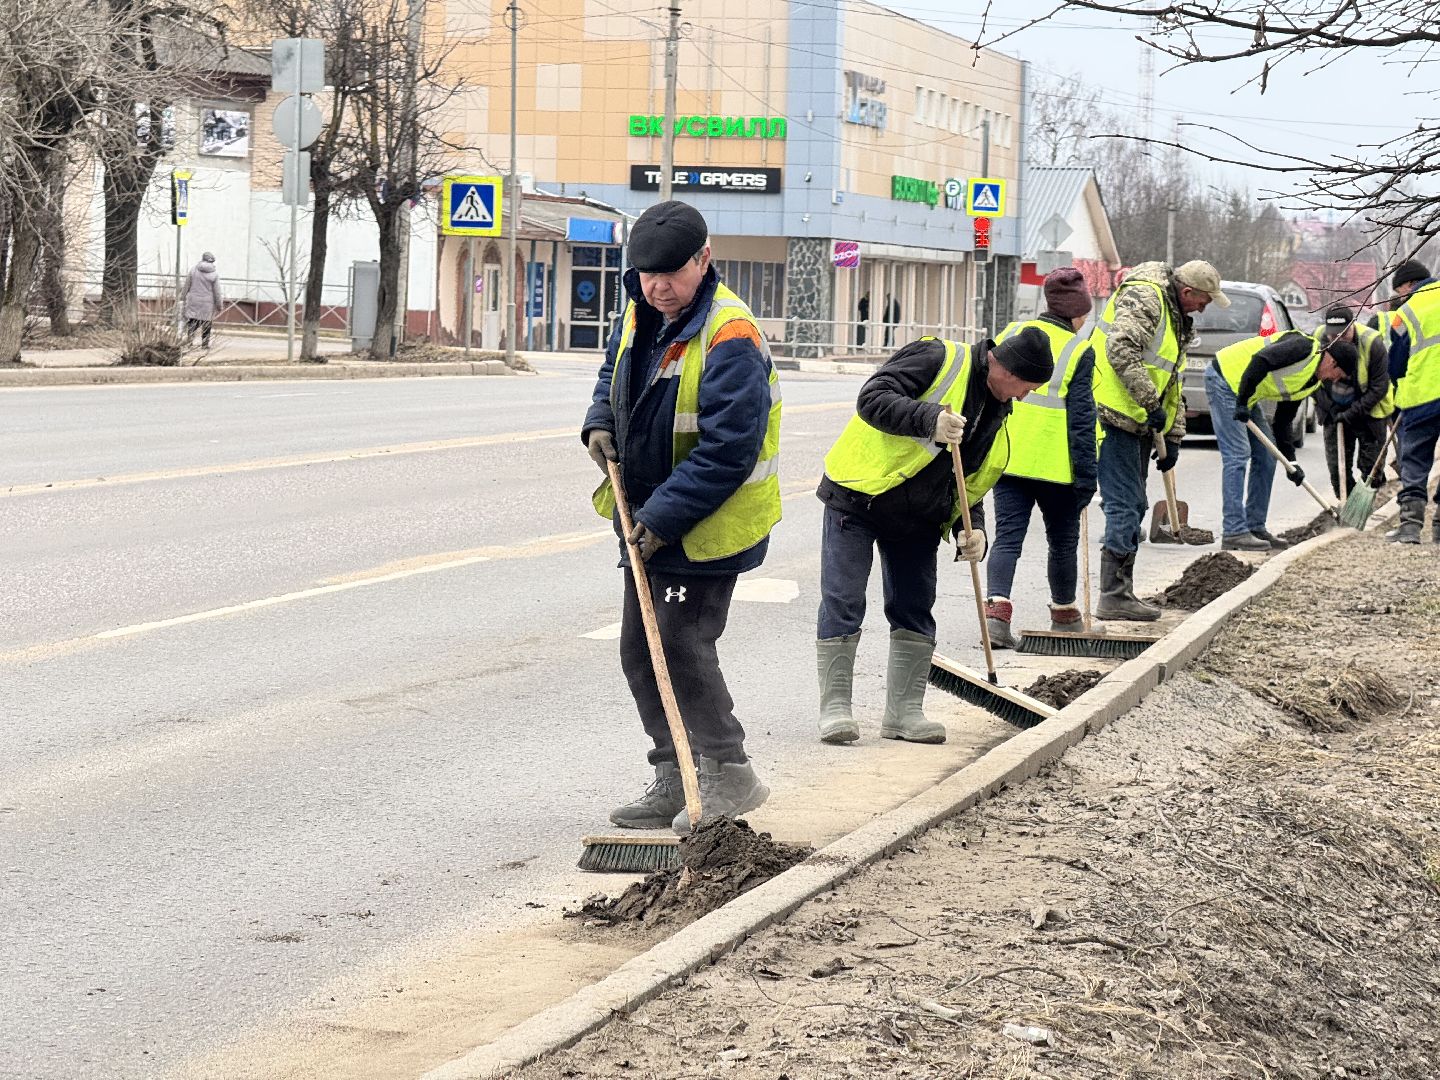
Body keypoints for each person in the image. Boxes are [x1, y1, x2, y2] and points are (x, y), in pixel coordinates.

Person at [580, 200, 782, 835]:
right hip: (647, 520)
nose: (657, 286)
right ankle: (676, 775)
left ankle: (729, 772)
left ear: (704, 259)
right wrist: (598, 424)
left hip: (706, 528)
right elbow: (611, 382)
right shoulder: (639, 313)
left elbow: (729, 449)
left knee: (680, 645)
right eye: (645, 274)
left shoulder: (731, 336)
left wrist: (663, 516)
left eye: (670, 273)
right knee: (640, 652)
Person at [813, 325, 1054, 745]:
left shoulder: (998, 414)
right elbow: (871, 398)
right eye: (1025, 386)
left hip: (918, 518)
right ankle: (836, 709)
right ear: (1002, 364)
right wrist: (930, 419)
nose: (1023, 397)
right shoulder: (939, 358)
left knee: (914, 607)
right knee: (844, 598)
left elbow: (966, 480)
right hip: (858, 496)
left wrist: (971, 526)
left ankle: (904, 714)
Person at [1089, 260, 1222, 620]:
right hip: (1110, 413)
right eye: (1204, 300)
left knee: (1136, 504)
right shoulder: (1146, 298)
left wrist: (1174, 435)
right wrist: (1150, 402)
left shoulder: (1177, 315)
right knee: (1125, 505)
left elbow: (1172, 379)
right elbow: (1120, 350)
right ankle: (1113, 595)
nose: (1205, 307)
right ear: (1187, 292)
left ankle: (1121, 592)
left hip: (1138, 420)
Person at [983, 268, 1098, 647]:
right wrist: (1086, 476)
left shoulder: (1010, 333)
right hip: (1057, 467)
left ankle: (996, 617)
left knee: (1008, 538)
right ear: (1077, 312)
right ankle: (1064, 616)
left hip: (1009, 458)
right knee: (1063, 542)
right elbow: (1082, 420)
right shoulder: (1079, 348)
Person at [1208, 321, 1358, 550]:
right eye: (1338, 375)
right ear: (1332, 361)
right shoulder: (1304, 347)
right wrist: (1241, 401)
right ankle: (1234, 531)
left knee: (1268, 456)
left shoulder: (1310, 382)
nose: (1334, 380)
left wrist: (1291, 463)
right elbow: (1261, 359)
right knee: (1238, 455)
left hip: (1245, 393)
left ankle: (1255, 526)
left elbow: (1283, 422)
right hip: (1225, 379)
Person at [1311, 304, 1392, 498]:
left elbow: (1379, 387)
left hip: (1368, 409)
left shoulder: (1372, 343)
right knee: (1337, 468)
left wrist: (1351, 413)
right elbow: (1311, 381)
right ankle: (1346, 504)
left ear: (1353, 325)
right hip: (1333, 408)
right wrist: (1331, 410)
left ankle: (1367, 502)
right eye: (1333, 334)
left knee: (1371, 468)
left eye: (1343, 334)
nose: (1336, 339)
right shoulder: (1318, 339)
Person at [1385, 259, 1440, 543]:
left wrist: (1398, 389)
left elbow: (1396, 361)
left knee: (1415, 460)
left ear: (1408, 285)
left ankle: (1410, 526)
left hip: (1423, 397)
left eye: (1399, 292)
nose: (1399, 298)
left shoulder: (1407, 312)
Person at [182, 252, 223, 349]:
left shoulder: (193, 270)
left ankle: (189, 342)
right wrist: (219, 305)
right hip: (207, 304)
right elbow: (217, 292)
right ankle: (204, 344)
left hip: (193, 301)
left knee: (192, 321)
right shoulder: (214, 274)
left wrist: (182, 297)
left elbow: (186, 285)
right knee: (206, 323)